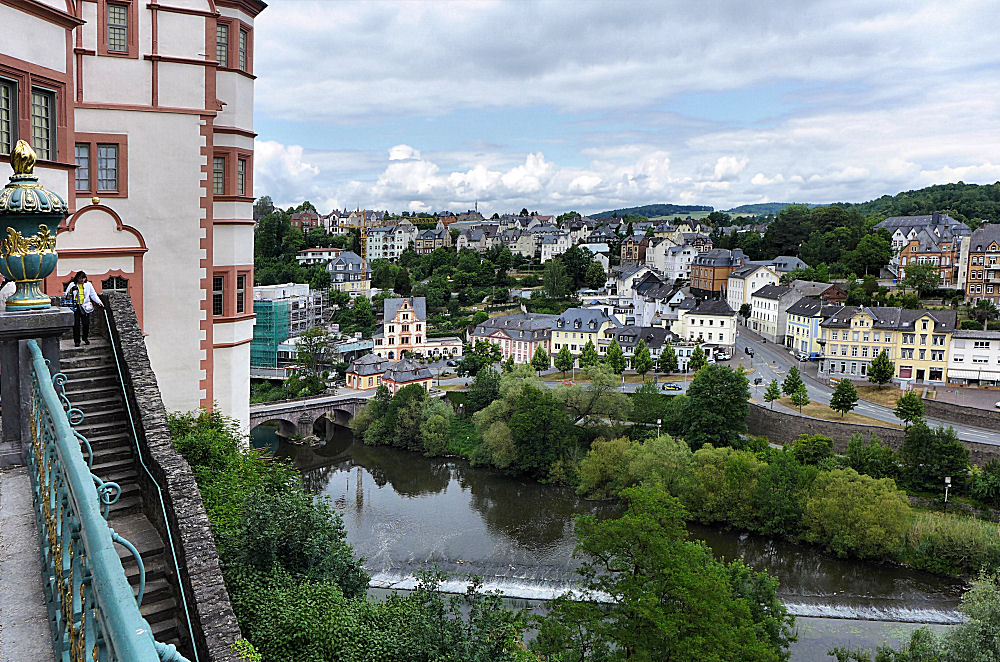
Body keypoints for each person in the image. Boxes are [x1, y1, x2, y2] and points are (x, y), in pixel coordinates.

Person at [64, 271, 104, 346]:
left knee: (86, 323)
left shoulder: (88, 285)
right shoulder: (72, 285)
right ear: (77, 278)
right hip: (75, 306)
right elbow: (66, 295)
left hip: (85, 306)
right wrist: (71, 292)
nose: (82, 280)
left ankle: (85, 338)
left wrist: (99, 302)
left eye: (83, 278)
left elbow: (93, 294)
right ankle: (77, 341)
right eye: (80, 278)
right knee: (76, 324)